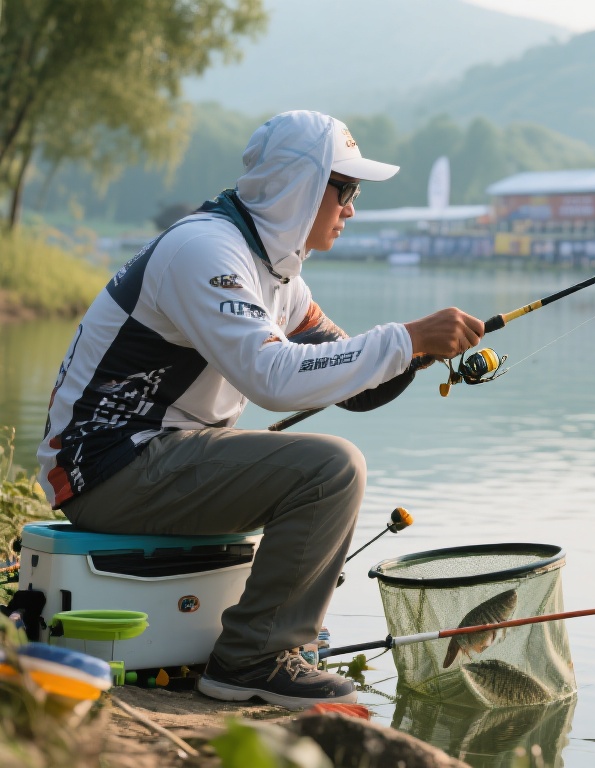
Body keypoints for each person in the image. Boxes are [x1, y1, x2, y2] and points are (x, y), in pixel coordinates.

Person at [36, 110, 485, 709]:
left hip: (152, 457)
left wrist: (415, 354)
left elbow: (353, 387)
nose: (352, 208)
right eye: (345, 189)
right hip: (109, 463)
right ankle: (251, 661)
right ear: (300, 187)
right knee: (332, 469)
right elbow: (274, 378)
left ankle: (265, 645)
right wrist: (403, 339)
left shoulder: (276, 270)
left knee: (326, 467)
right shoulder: (205, 251)